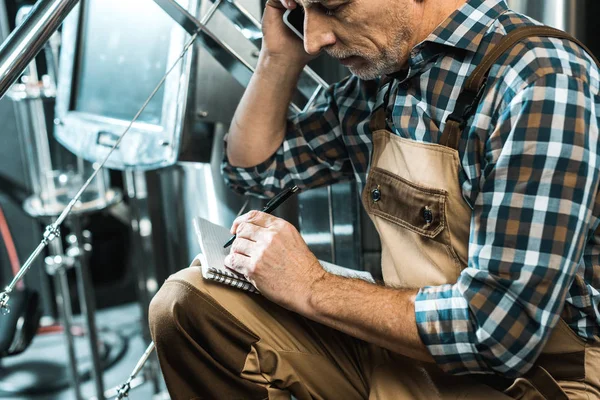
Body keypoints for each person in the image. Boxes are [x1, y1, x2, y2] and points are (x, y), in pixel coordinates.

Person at [149, 0, 600, 398]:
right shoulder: (386, 78)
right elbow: (254, 169)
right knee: (189, 304)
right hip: (402, 353)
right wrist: (276, 56)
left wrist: (311, 287)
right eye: (302, 10)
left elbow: (501, 332)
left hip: (532, 381)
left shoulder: (541, 77)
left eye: (333, 5)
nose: (314, 39)